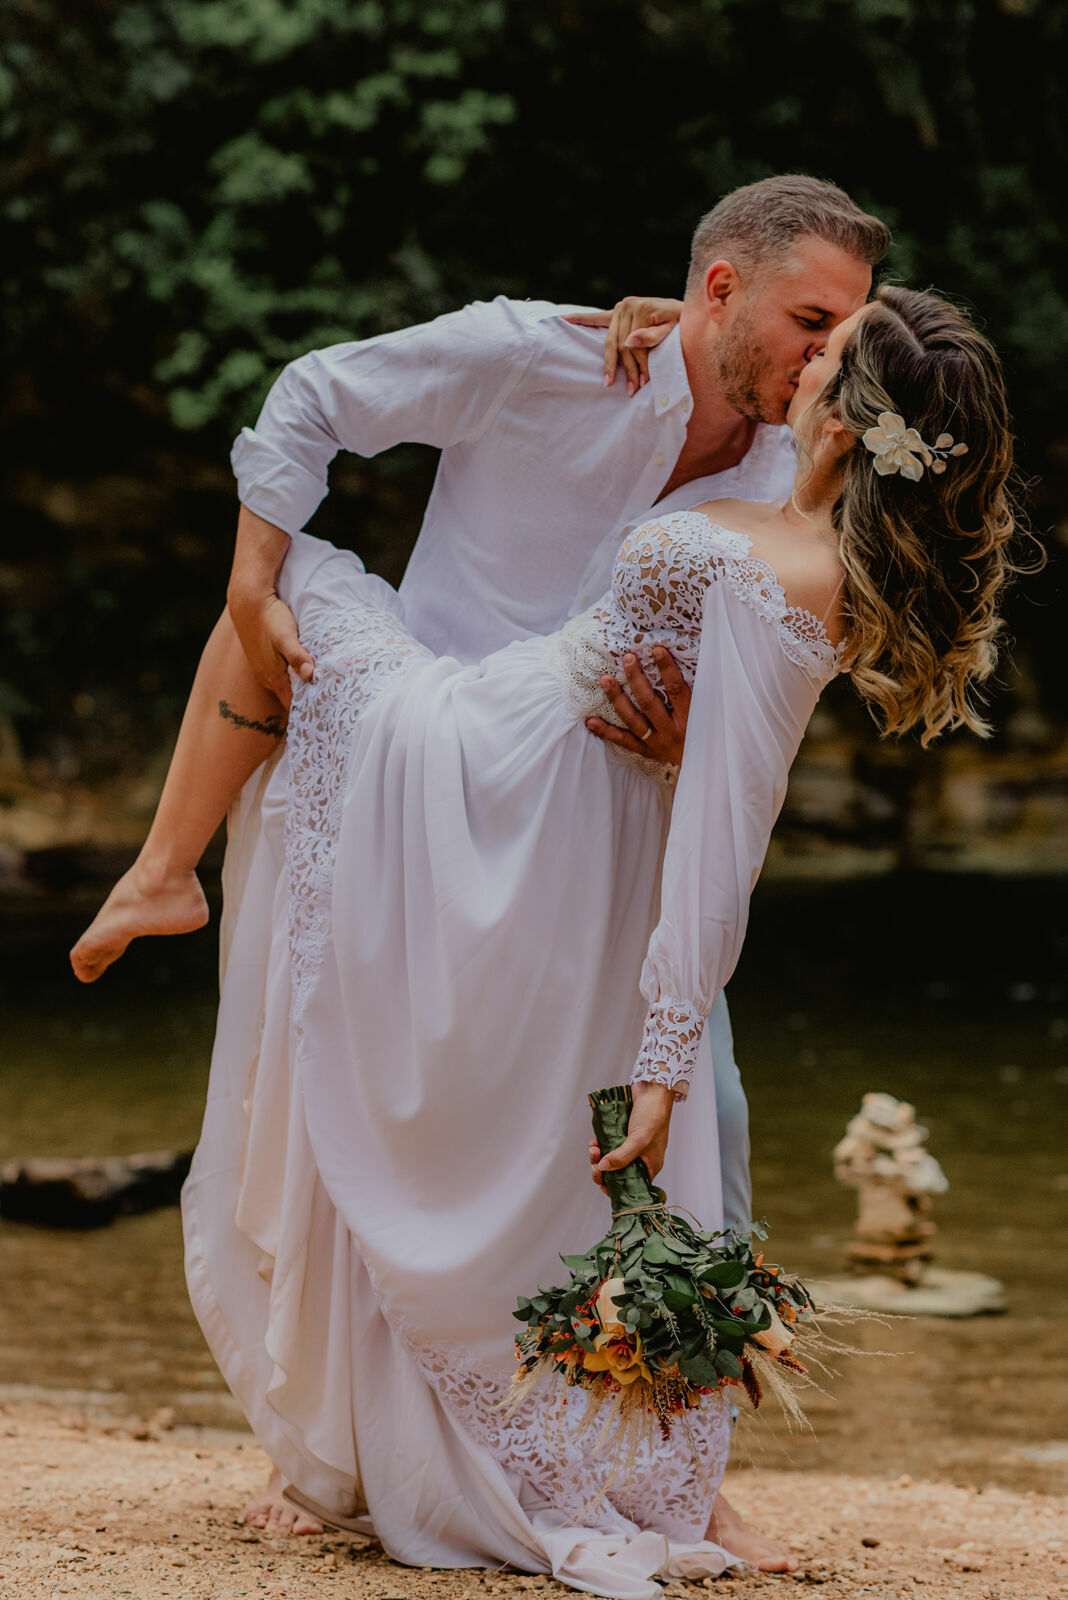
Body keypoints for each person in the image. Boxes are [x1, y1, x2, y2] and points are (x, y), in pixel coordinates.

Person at [90, 269, 1015, 1592]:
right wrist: (663, 318)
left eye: (833, 344)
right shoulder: (775, 501)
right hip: (533, 772)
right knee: (489, 1116)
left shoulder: (797, 562)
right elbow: (718, 345)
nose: (810, 351)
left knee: (292, 578)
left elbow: (727, 831)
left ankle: (162, 872)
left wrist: (666, 1047)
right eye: (814, 324)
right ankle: (165, 878)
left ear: (847, 403)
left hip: (511, 785)